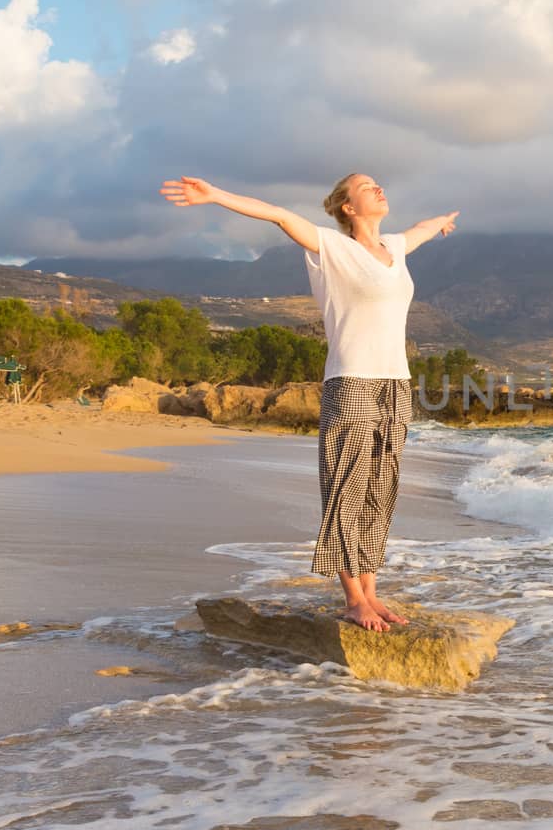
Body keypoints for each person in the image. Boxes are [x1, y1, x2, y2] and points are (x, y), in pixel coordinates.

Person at [160, 173, 458, 631]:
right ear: (347, 207)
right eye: (366, 186)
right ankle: (353, 598)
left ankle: (372, 593)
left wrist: (439, 222)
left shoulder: (395, 248)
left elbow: (418, 230)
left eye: (379, 182)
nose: (379, 188)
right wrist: (216, 195)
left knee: (380, 489)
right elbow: (278, 215)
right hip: (351, 381)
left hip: (395, 384)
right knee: (347, 486)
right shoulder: (331, 248)